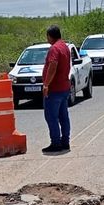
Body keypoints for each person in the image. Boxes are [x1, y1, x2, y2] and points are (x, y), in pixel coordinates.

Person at [41, 25, 71, 153]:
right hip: (64, 87)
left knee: (51, 117)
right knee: (63, 116)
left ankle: (56, 143)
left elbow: (53, 65)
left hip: (55, 89)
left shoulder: (54, 49)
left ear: (50, 36)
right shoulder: (64, 46)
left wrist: (46, 84)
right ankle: (65, 142)